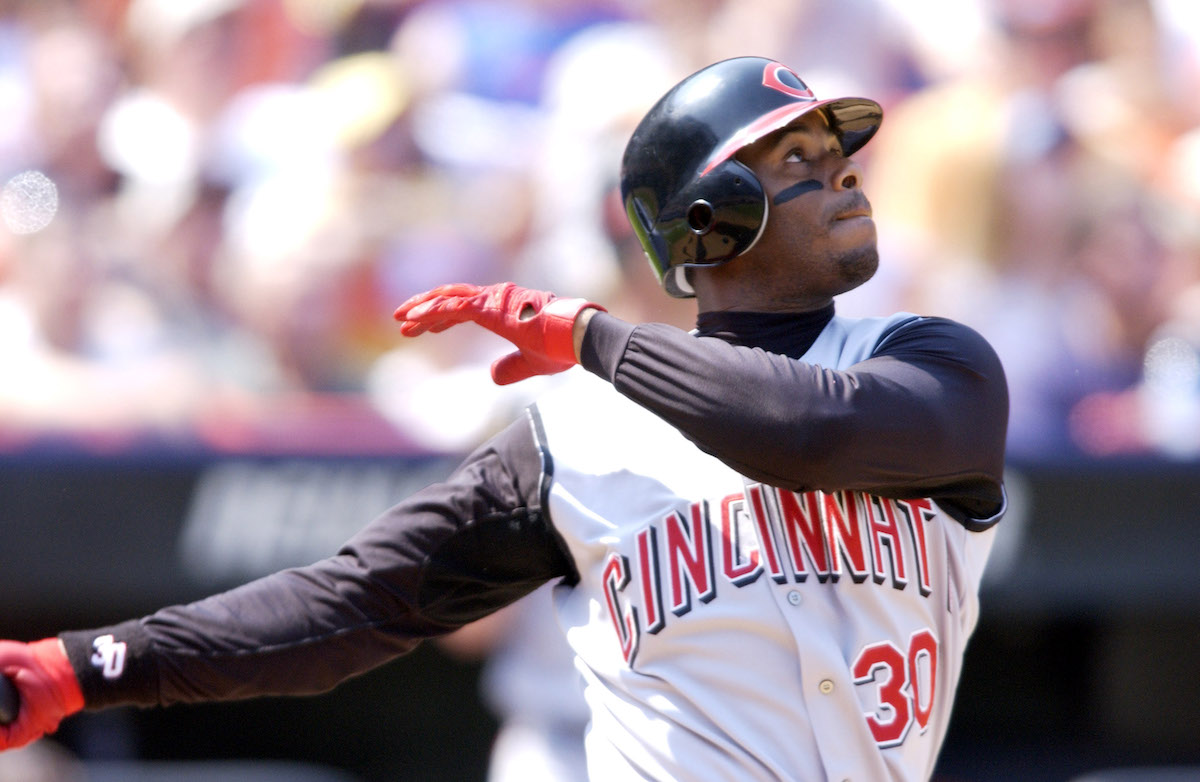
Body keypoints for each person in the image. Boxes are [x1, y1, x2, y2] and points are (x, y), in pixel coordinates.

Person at [0, 56, 1008, 781]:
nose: (842, 169)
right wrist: (79, 664)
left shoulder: (931, 364)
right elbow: (348, 604)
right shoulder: (576, 436)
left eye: (837, 149)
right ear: (713, 220)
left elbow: (809, 434)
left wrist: (590, 338)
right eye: (795, 157)